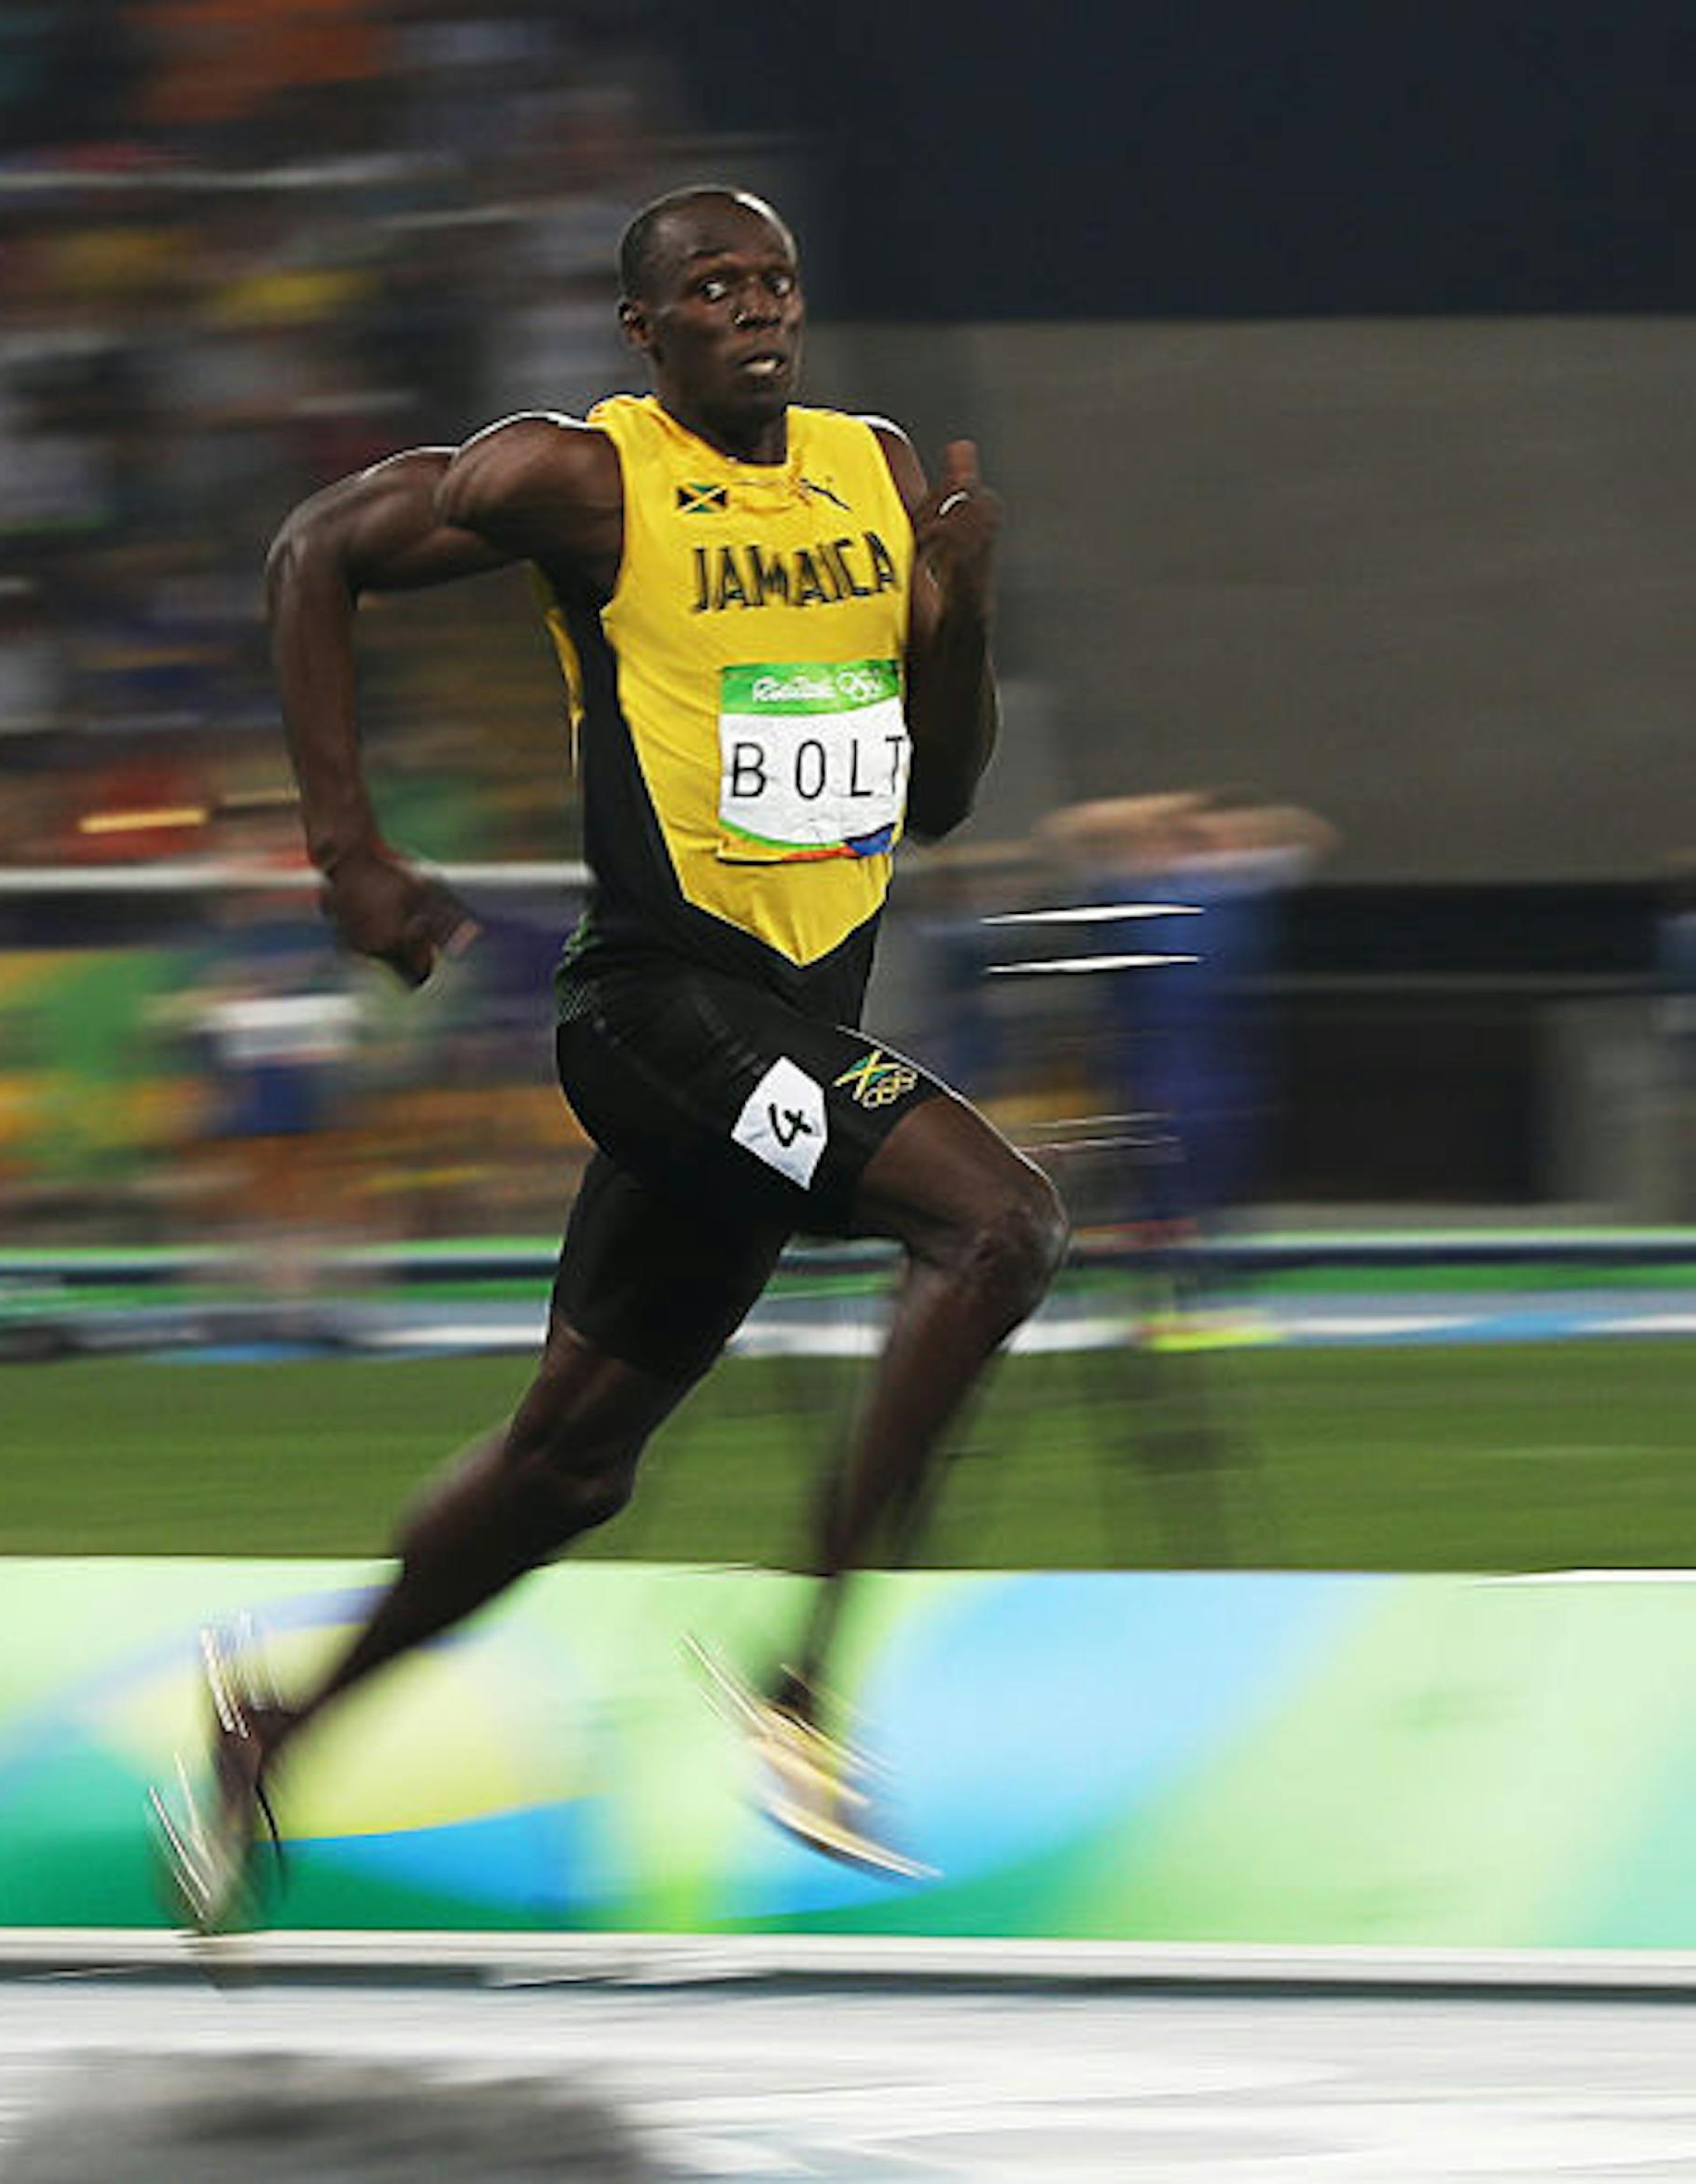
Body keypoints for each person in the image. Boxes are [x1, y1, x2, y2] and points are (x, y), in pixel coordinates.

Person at [156, 188, 1064, 1926]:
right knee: (1002, 1224)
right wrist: (345, 846)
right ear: (645, 332)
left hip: (788, 1033)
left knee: (573, 1461)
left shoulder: (874, 475)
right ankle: (807, 1689)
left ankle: (271, 1732)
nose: (755, 311)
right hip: (653, 1012)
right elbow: (314, 553)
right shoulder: (583, 475)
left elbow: (933, 795)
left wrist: (963, 603)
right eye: (711, 290)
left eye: (776, 282)